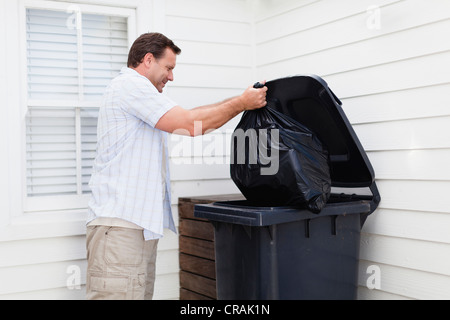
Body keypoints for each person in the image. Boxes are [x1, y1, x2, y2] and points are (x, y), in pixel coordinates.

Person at [85, 32, 267, 300]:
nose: (171, 77)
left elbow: (190, 115)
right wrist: (241, 103)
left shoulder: (138, 93)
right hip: (120, 230)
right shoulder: (131, 86)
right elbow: (192, 124)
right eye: (168, 68)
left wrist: (241, 100)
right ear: (148, 60)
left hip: (132, 229)